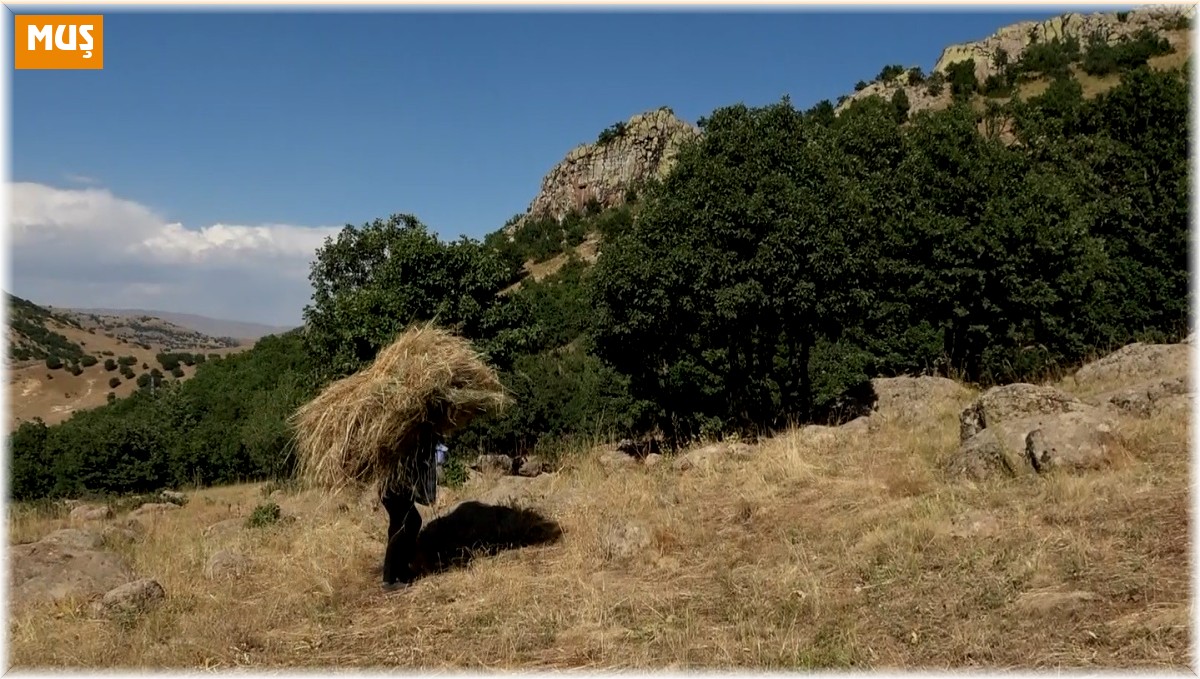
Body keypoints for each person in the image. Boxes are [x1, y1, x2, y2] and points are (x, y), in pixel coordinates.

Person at [379, 421, 442, 590]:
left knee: (411, 522)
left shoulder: (416, 441)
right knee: (402, 526)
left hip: (396, 488)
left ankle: (401, 569)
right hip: (393, 488)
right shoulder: (410, 439)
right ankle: (389, 578)